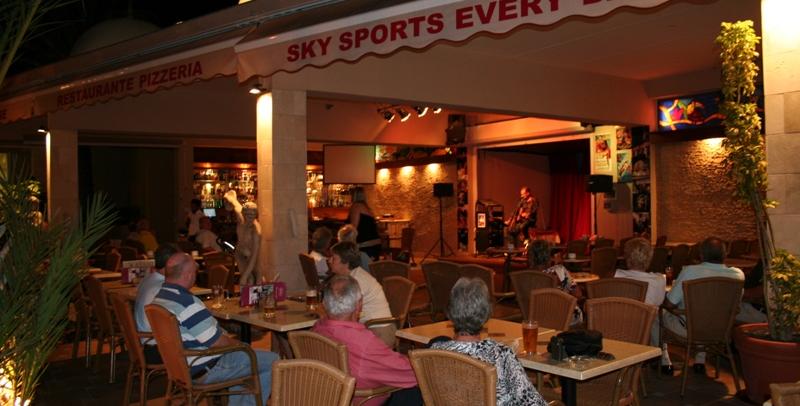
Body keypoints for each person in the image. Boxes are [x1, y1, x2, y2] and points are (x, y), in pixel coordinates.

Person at [151, 252, 278, 406]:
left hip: (179, 367)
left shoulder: (160, 298)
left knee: (247, 359)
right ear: (188, 275)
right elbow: (216, 342)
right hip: (204, 367)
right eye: (195, 273)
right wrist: (242, 345)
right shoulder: (187, 302)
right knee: (273, 361)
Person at [430, 277, 547, 406]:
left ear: (450, 311)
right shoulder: (500, 355)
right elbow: (533, 402)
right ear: (486, 314)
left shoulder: (434, 352)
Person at [312, 274, 422, 406]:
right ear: (359, 305)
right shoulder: (363, 343)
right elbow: (414, 372)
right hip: (362, 401)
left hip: (326, 397)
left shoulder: (317, 328)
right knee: (420, 389)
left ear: (324, 304)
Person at [661, 237, 744, 374]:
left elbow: (669, 304)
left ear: (701, 255)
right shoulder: (738, 275)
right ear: (725, 254)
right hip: (721, 330)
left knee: (657, 314)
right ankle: (700, 361)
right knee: (708, 313)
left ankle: (664, 361)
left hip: (690, 331)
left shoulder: (690, 272)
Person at [328, 241, 394, 347]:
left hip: (378, 331)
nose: (329, 260)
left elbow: (347, 312)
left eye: (333, 258)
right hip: (365, 328)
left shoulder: (358, 280)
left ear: (345, 262)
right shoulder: (347, 278)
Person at [614, 237, 666, 347]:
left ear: (627, 257)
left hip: (618, 326)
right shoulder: (659, 279)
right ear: (649, 258)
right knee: (656, 316)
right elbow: (658, 304)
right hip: (645, 329)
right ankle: (656, 352)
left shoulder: (615, 276)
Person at [134, 244, 179, 362]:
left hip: (144, 343)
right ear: (171, 264)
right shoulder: (163, 287)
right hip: (156, 348)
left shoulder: (147, 280)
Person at [224, 190, 260, 286]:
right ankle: (246, 292)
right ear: (243, 213)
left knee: (253, 279)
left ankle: (254, 288)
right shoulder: (240, 217)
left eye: (252, 215)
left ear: (256, 215)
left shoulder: (256, 231)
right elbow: (234, 201)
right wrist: (228, 198)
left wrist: (245, 276)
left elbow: (254, 255)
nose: (250, 218)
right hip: (239, 252)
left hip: (250, 254)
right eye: (247, 215)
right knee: (247, 279)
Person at [347, 186, 382, 260]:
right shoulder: (366, 207)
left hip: (365, 245)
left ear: (354, 195)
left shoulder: (356, 207)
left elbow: (353, 228)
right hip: (374, 243)